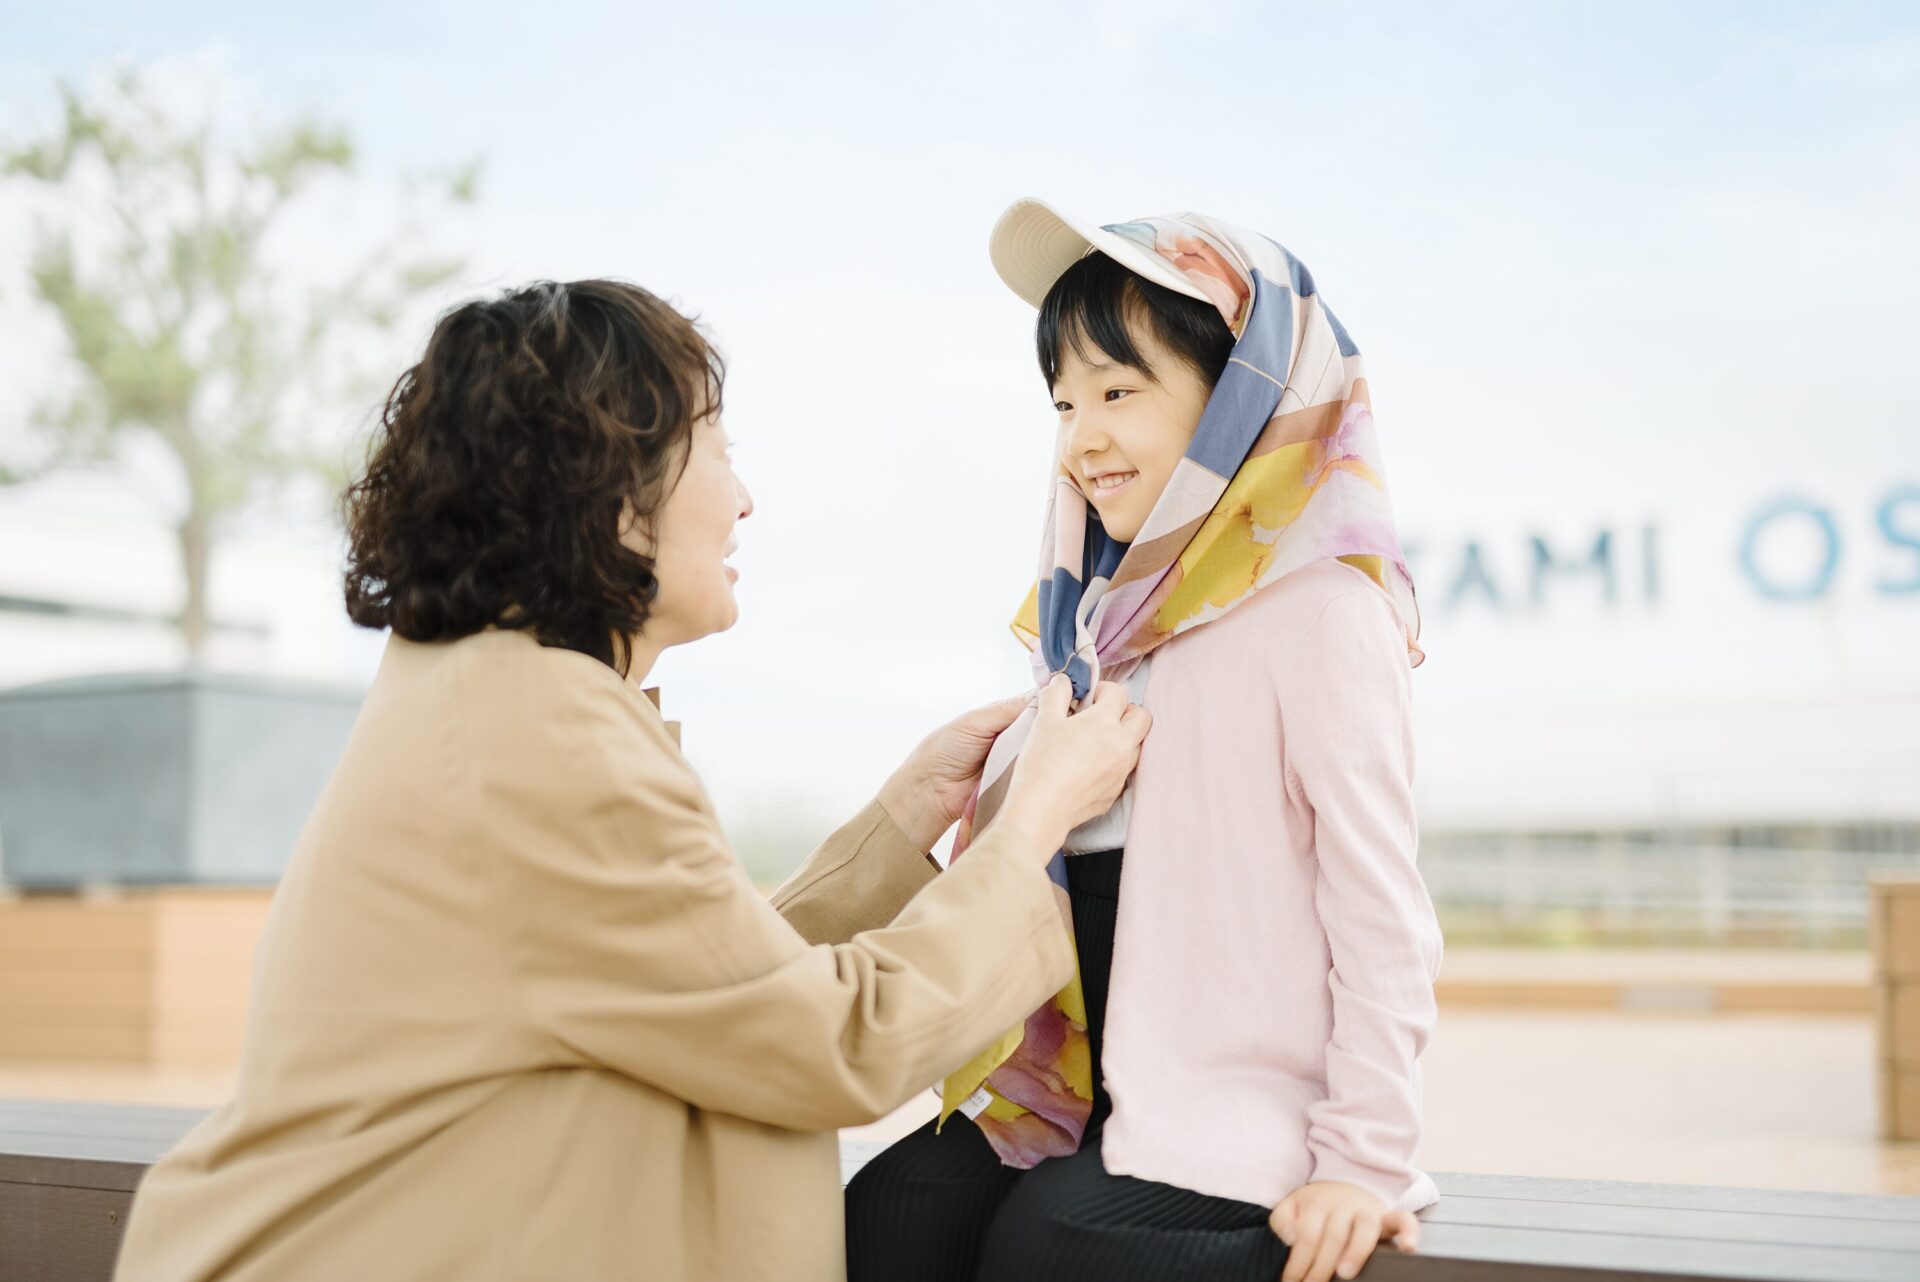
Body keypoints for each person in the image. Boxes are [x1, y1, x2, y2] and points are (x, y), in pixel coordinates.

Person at [110, 278, 1150, 1282]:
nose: (744, 499)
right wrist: (1036, 821)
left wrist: (896, 826)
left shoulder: (493, 695)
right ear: (610, 490)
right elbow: (825, 1044)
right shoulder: (542, 737)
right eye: (717, 451)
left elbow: (692, 995)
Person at [844, 201, 1442, 1282]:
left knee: (1053, 1245)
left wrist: (1362, 1162)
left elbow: (1381, 908)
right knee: (891, 1212)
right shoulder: (1093, 632)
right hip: (1082, 1097)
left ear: (1240, 406)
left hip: (1240, 1107)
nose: (1083, 438)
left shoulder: (1321, 610)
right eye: (1065, 401)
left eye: (1120, 392)